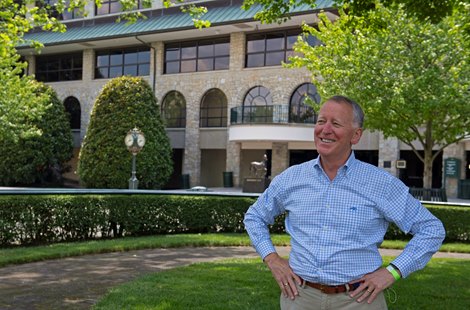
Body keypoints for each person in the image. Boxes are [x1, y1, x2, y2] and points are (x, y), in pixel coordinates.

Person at [244, 95, 445, 309]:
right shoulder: (291, 178)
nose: (325, 129)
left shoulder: (381, 183)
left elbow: (431, 229)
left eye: (336, 123)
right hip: (299, 298)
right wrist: (272, 259)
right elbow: (254, 216)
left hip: (359, 301)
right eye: (321, 121)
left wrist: (393, 271)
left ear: (356, 135)